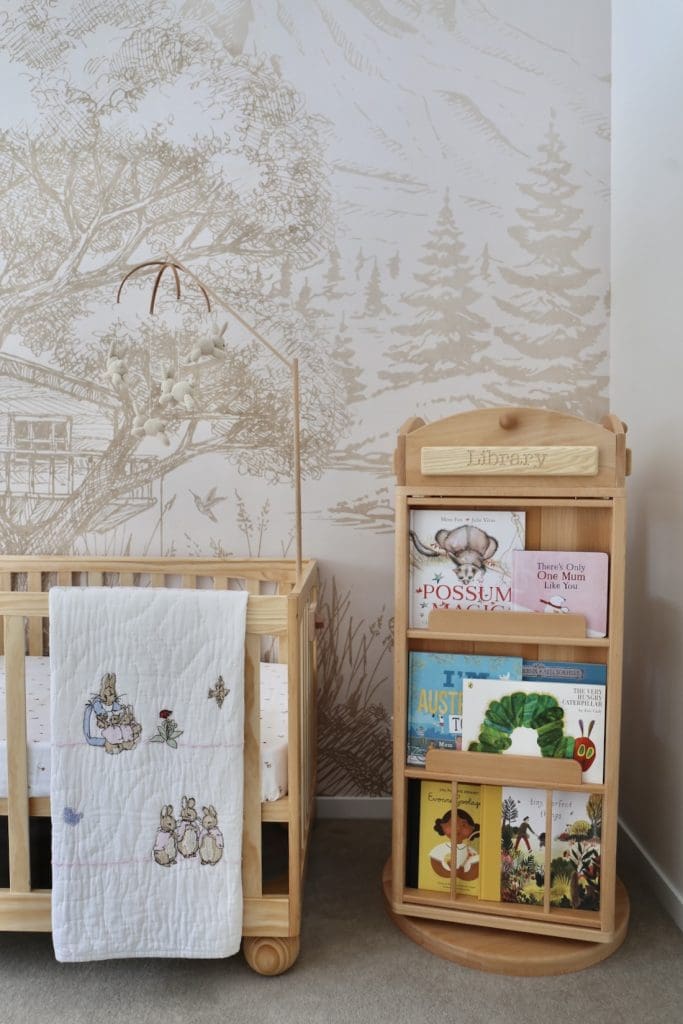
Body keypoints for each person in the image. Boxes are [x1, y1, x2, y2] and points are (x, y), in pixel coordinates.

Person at [429, 809, 480, 881]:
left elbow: (475, 869)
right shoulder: (439, 849)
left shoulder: (471, 850)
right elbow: (437, 865)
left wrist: (469, 860)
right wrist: (450, 871)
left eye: (464, 825)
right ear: (442, 826)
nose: (458, 828)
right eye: (452, 824)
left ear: (472, 829)